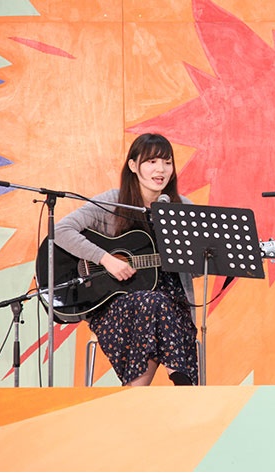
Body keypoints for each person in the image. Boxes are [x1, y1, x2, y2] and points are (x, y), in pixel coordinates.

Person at [55, 133, 198, 386]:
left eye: (167, 162)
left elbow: (196, 268)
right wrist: (105, 259)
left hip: (173, 308)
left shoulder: (182, 207)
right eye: (152, 161)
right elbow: (60, 231)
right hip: (114, 305)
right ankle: (181, 381)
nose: (161, 169)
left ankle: (135, 393)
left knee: (160, 308)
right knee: (153, 303)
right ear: (133, 165)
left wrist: (204, 258)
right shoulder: (112, 202)